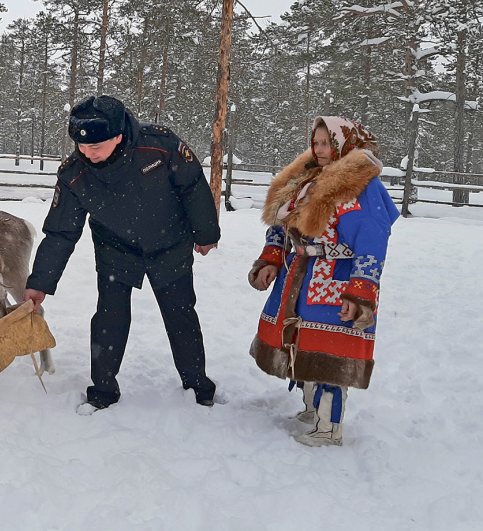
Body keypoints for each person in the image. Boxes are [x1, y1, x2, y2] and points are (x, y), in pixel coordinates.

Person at [23, 95, 221, 413]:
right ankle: (103, 390)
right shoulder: (74, 172)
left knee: (180, 314)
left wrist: (206, 232)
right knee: (109, 317)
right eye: (81, 146)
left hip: (168, 243)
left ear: (118, 136)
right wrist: (40, 281)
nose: (87, 153)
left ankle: (198, 385)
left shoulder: (160, 145)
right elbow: (61, 232)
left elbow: (193, 186)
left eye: (95, 147)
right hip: (115, 248)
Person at [248, 116, 399, 446]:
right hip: (299, 275)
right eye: (315, 143)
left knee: (329, 353)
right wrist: (272, 258)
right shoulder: (304, 179)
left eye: (326, 143)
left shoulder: (361, 186)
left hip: (336, 278)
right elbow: (281, 225)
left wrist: (361, 290)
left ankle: (330, 428)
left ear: (343, 143)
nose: (319, 149)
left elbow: (373, 238)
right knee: (302, 342)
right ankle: (312, 409)